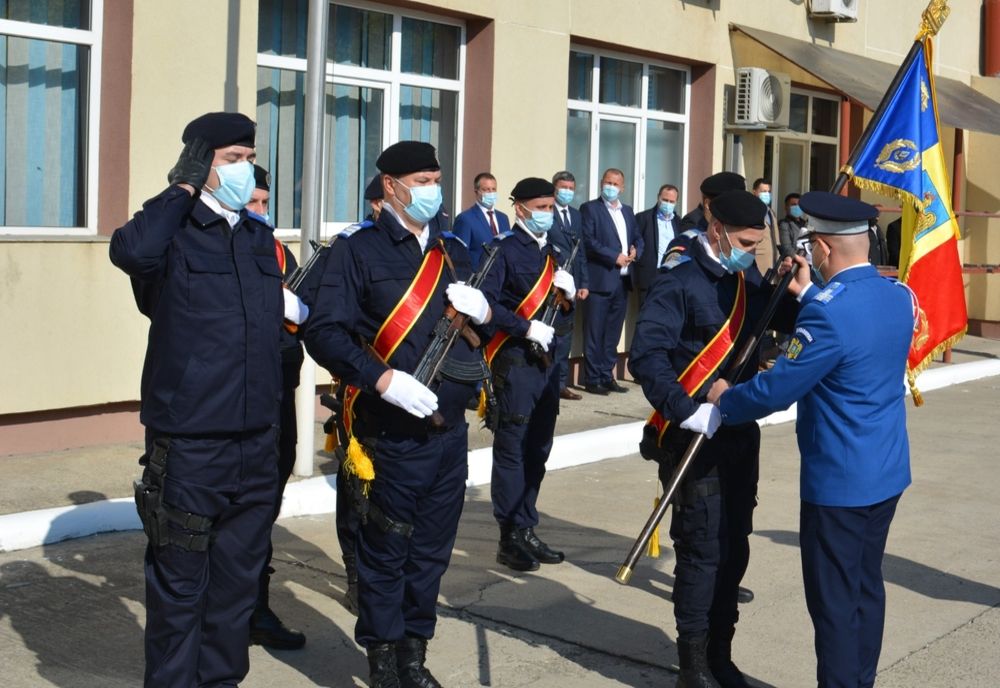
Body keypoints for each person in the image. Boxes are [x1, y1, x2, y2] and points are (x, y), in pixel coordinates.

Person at [109, 112, 309, 687]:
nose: (246, 169)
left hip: (255, 444)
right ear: (201, 164)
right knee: (179, 599)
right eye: (231, 159)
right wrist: (182, 187)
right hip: (192, 447)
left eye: (249, 158)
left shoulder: (256, 238)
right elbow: (131, 253)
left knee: (233, 597)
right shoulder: (168, 233)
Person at [708, 191, 915, 688]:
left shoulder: (826, 315)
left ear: (821, 249)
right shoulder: (897, 295)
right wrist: (806, 294)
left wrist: (724, 398)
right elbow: (852, 333)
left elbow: (778, 388)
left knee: (835, 607)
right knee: (865, 591)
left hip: (839, 484)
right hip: (885, 471)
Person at [304, 141, 490, 687]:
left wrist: (488, 313)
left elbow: (483, 330)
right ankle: (383, 661)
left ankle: (415, 656)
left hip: (449, 434)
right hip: (390, 433)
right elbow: (325, 332)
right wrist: (383, 379)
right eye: (422, 179)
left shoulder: (453, 250)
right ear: (391, 186)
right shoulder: (356, 251)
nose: (432, 189)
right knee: (386, 551)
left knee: (431, 553)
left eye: (436, 178)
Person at [629, 190, 798, 688]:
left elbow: (777, 321)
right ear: (717, 228)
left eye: (758, 243)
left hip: (739, 434)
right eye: (745, 241)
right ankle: (694, 666)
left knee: (735, 547)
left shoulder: (744, 277)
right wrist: (686, 410)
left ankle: (721, 654)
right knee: (702, 552)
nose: (751, 250)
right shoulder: (678, 281)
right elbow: (648, 357)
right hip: (693, 440)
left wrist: (791, 285)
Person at [479, 177, 577, 572]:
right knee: (512, 449)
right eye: (540, 207)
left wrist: (568, 299)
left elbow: (560, 313)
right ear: (519, 208)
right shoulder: (501, 250)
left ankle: (527, 523)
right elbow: (484, 304)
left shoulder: (553, 251)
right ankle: (509, 536)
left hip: (547, 364)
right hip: (515, 361)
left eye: (551, 207)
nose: (546, 214)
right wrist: (524, 327)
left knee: (539, 447)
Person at [245, 164, 308, 650]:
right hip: (237, 400)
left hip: (279, 396)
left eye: (266, 204)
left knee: (267, 503)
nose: (262, 213)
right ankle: (228, 609)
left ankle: (255, 609)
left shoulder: (278, 251)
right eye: (253, 204)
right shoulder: (220, 251)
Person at [580, 168, 642, 395]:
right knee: (595, 331)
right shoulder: (590, 209)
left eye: (616, 184)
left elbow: (637, 237)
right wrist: (613, 256)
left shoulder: (627, 211)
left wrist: (636, 251)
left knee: (613, 333)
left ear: (623, 187)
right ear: (601, 183)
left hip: (623, 281)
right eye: (608, 182)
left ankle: (607, 375)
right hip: (600, 279)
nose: (611, 187)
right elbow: (589, 241)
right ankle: (592, 378)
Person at [551, 170, 589, 400]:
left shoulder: (576, 215)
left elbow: (581, 252)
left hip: (572, 286)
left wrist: (584, 283)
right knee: (550, 335)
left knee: (565, 336)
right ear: (554, 188)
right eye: (562, 187)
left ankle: (561, 384)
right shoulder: (546, 213)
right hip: (553, 285)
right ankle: (546, 383)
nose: (567, 192)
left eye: (570, 188)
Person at [453, 172, 511, 267]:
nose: (491, 193)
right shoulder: (465, 218)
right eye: (486, 190)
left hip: (501, 277)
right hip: (478, 277)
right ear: (476, 192)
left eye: (493, 189)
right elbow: (460, 256)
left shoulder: (503, 218)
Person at [634, 183, 681, 302]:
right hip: (649, 277)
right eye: (665, 200)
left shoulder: (679, 222)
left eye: (671, 201)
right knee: (646, 314)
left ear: (676, 202)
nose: (668, 204)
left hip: (671, 276)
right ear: (658, 197)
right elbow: (635, 244)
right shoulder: (643, 218)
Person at [752, 178, 780, 267]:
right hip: (758, 260)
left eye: (769, 191)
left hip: (774, 260)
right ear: (754, 192)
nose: (767, 194)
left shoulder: (771, 212)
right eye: (764, 191)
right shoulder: (750, 211)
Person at [778, 192, 808, 259]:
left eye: (799, 205)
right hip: (794, 263)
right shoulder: (784, 225)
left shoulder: (806, 224)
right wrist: (799, 259)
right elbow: (787, 248)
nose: (797, 207)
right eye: (793, 205)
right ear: (786, 207)